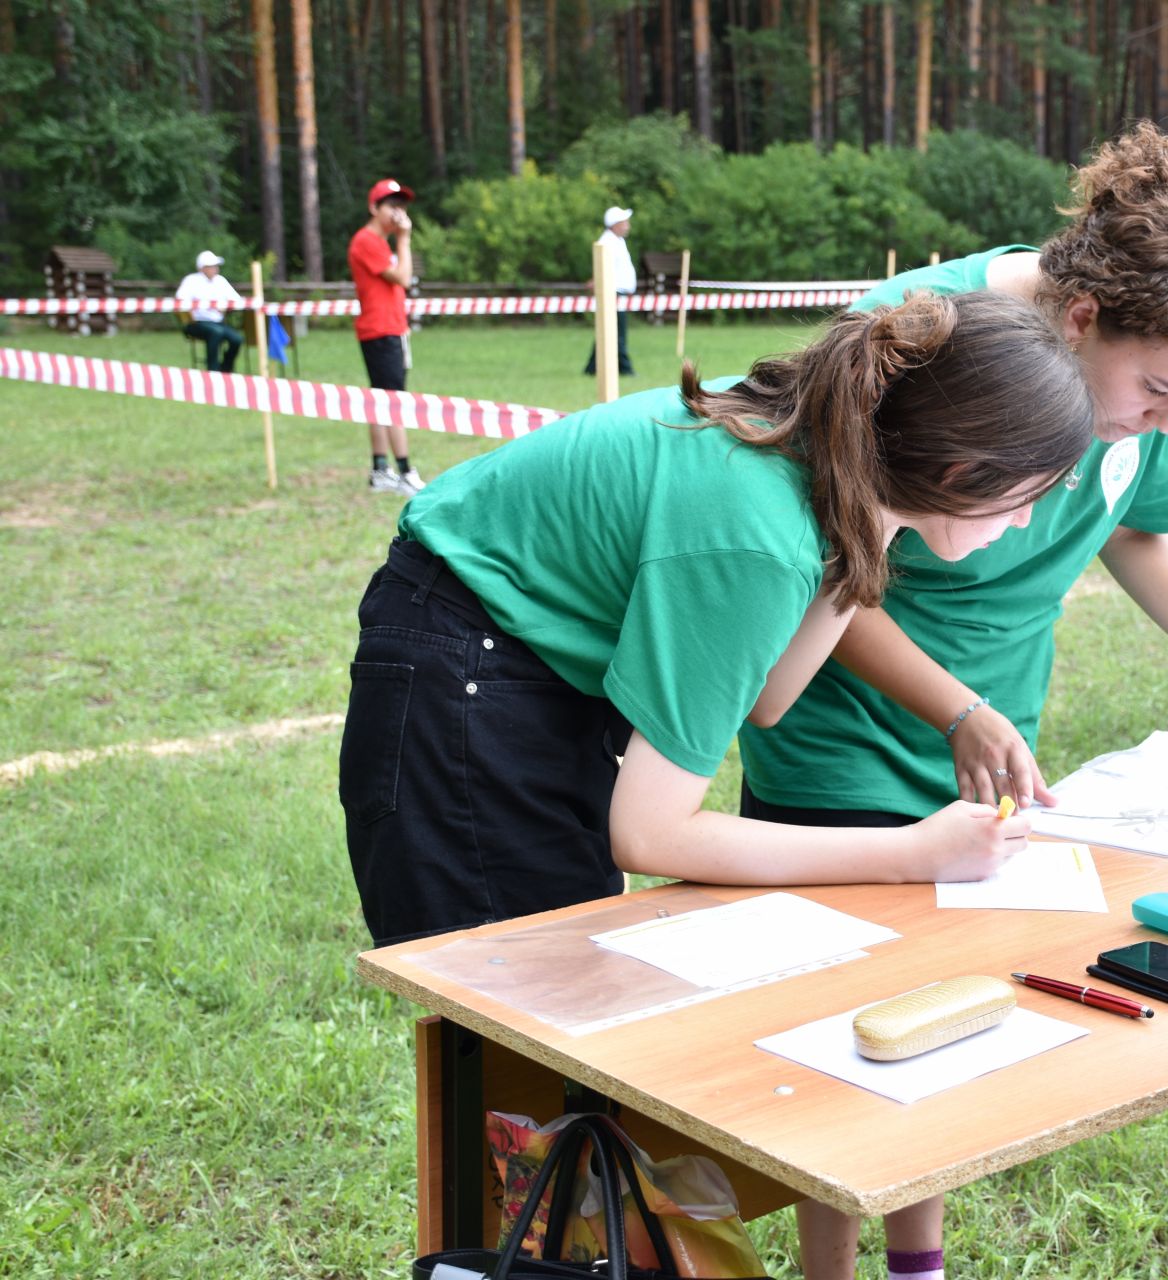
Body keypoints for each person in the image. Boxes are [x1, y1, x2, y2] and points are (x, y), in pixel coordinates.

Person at [736, 122, 1168, 1280]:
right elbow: (824, 569)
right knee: (846, 1044)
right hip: (851, 743)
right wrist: (953, 705)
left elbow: (1141, 533)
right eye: (1156, 391)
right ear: (1078, 323)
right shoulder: (924, 335)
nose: (1163, 419)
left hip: (990, 743)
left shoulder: (1144, 394)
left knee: (941, 1019)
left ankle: (918, 1262)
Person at [340, 289, 1093, 950]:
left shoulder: (835, 468)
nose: (1026, 520)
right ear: (961, 470)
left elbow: (768, 698)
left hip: (514, 661)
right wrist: (912, 854)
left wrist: (881, 531)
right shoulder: (761, 529)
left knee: (572, 989)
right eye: (1030, 492)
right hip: (462, 658)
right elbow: (651, 834)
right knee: (528, 998)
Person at [349, 177, 425, 495]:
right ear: (373, 208)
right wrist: (405, 239)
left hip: (387, 329)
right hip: (382, 331)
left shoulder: (379, 243)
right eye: (391, 206)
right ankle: (405, 472)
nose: (397, 213)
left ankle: (381, 469)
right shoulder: (367, 241)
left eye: (401, 206)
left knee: (380, 400)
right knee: (394, 401)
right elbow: (404, 278)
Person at [583, 205, 637, 377]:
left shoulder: (617, 241)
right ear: (614, 224)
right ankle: (626, 369)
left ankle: (591, 368)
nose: (627, 225)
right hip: (612, 293)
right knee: (617, 332)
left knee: (608, 331)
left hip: (619, 294)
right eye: (624, 222)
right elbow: (603, 268)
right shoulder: (606, 242)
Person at [175, 250, 244, 372]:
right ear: (203, 268)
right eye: (212, 266)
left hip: (218, 323)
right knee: (215, 332)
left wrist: (227, 307)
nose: (216, 269)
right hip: (196, 323)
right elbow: (180, 300)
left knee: (237, 339)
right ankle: (213, 369)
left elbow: (236, 300)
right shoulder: (191, 281)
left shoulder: (220, 281)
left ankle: (225, 369)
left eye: (216, 266)